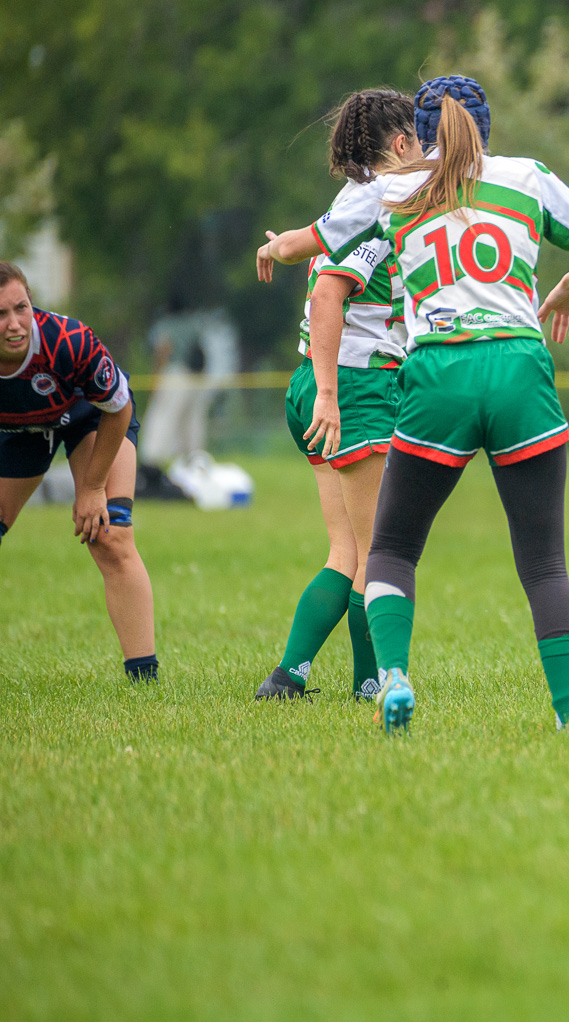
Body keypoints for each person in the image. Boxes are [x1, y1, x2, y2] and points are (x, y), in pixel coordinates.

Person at [259, 76, 569, 732]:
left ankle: (393, 679)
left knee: (392, 549)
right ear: (486, 126)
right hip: (520, 365)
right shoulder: (529, 177)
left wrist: (274, 246)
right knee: (544, 561)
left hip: (436, 372)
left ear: (418, 135)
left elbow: (301, 246)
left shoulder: (391, 188)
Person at [252, 88, 419, 701]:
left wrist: (276, 245)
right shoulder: (384, 203)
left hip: (318, 381)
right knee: (380, 550)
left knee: (347, 550)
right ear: (400, 142)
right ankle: (370, 681)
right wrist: (331, 395)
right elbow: (328, 291)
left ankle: (288, 676)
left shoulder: (355, 198)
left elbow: (306, 246)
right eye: (419, 136)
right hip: (352, 386)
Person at [0, 260, 158, 680]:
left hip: (90, 418)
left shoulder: (68, 340)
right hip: (19, 431)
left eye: (21, 308)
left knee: (110, 534)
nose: (15, 324)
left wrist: (91, 489)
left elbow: (118, 408)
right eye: (0, 314)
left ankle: (144, 679)